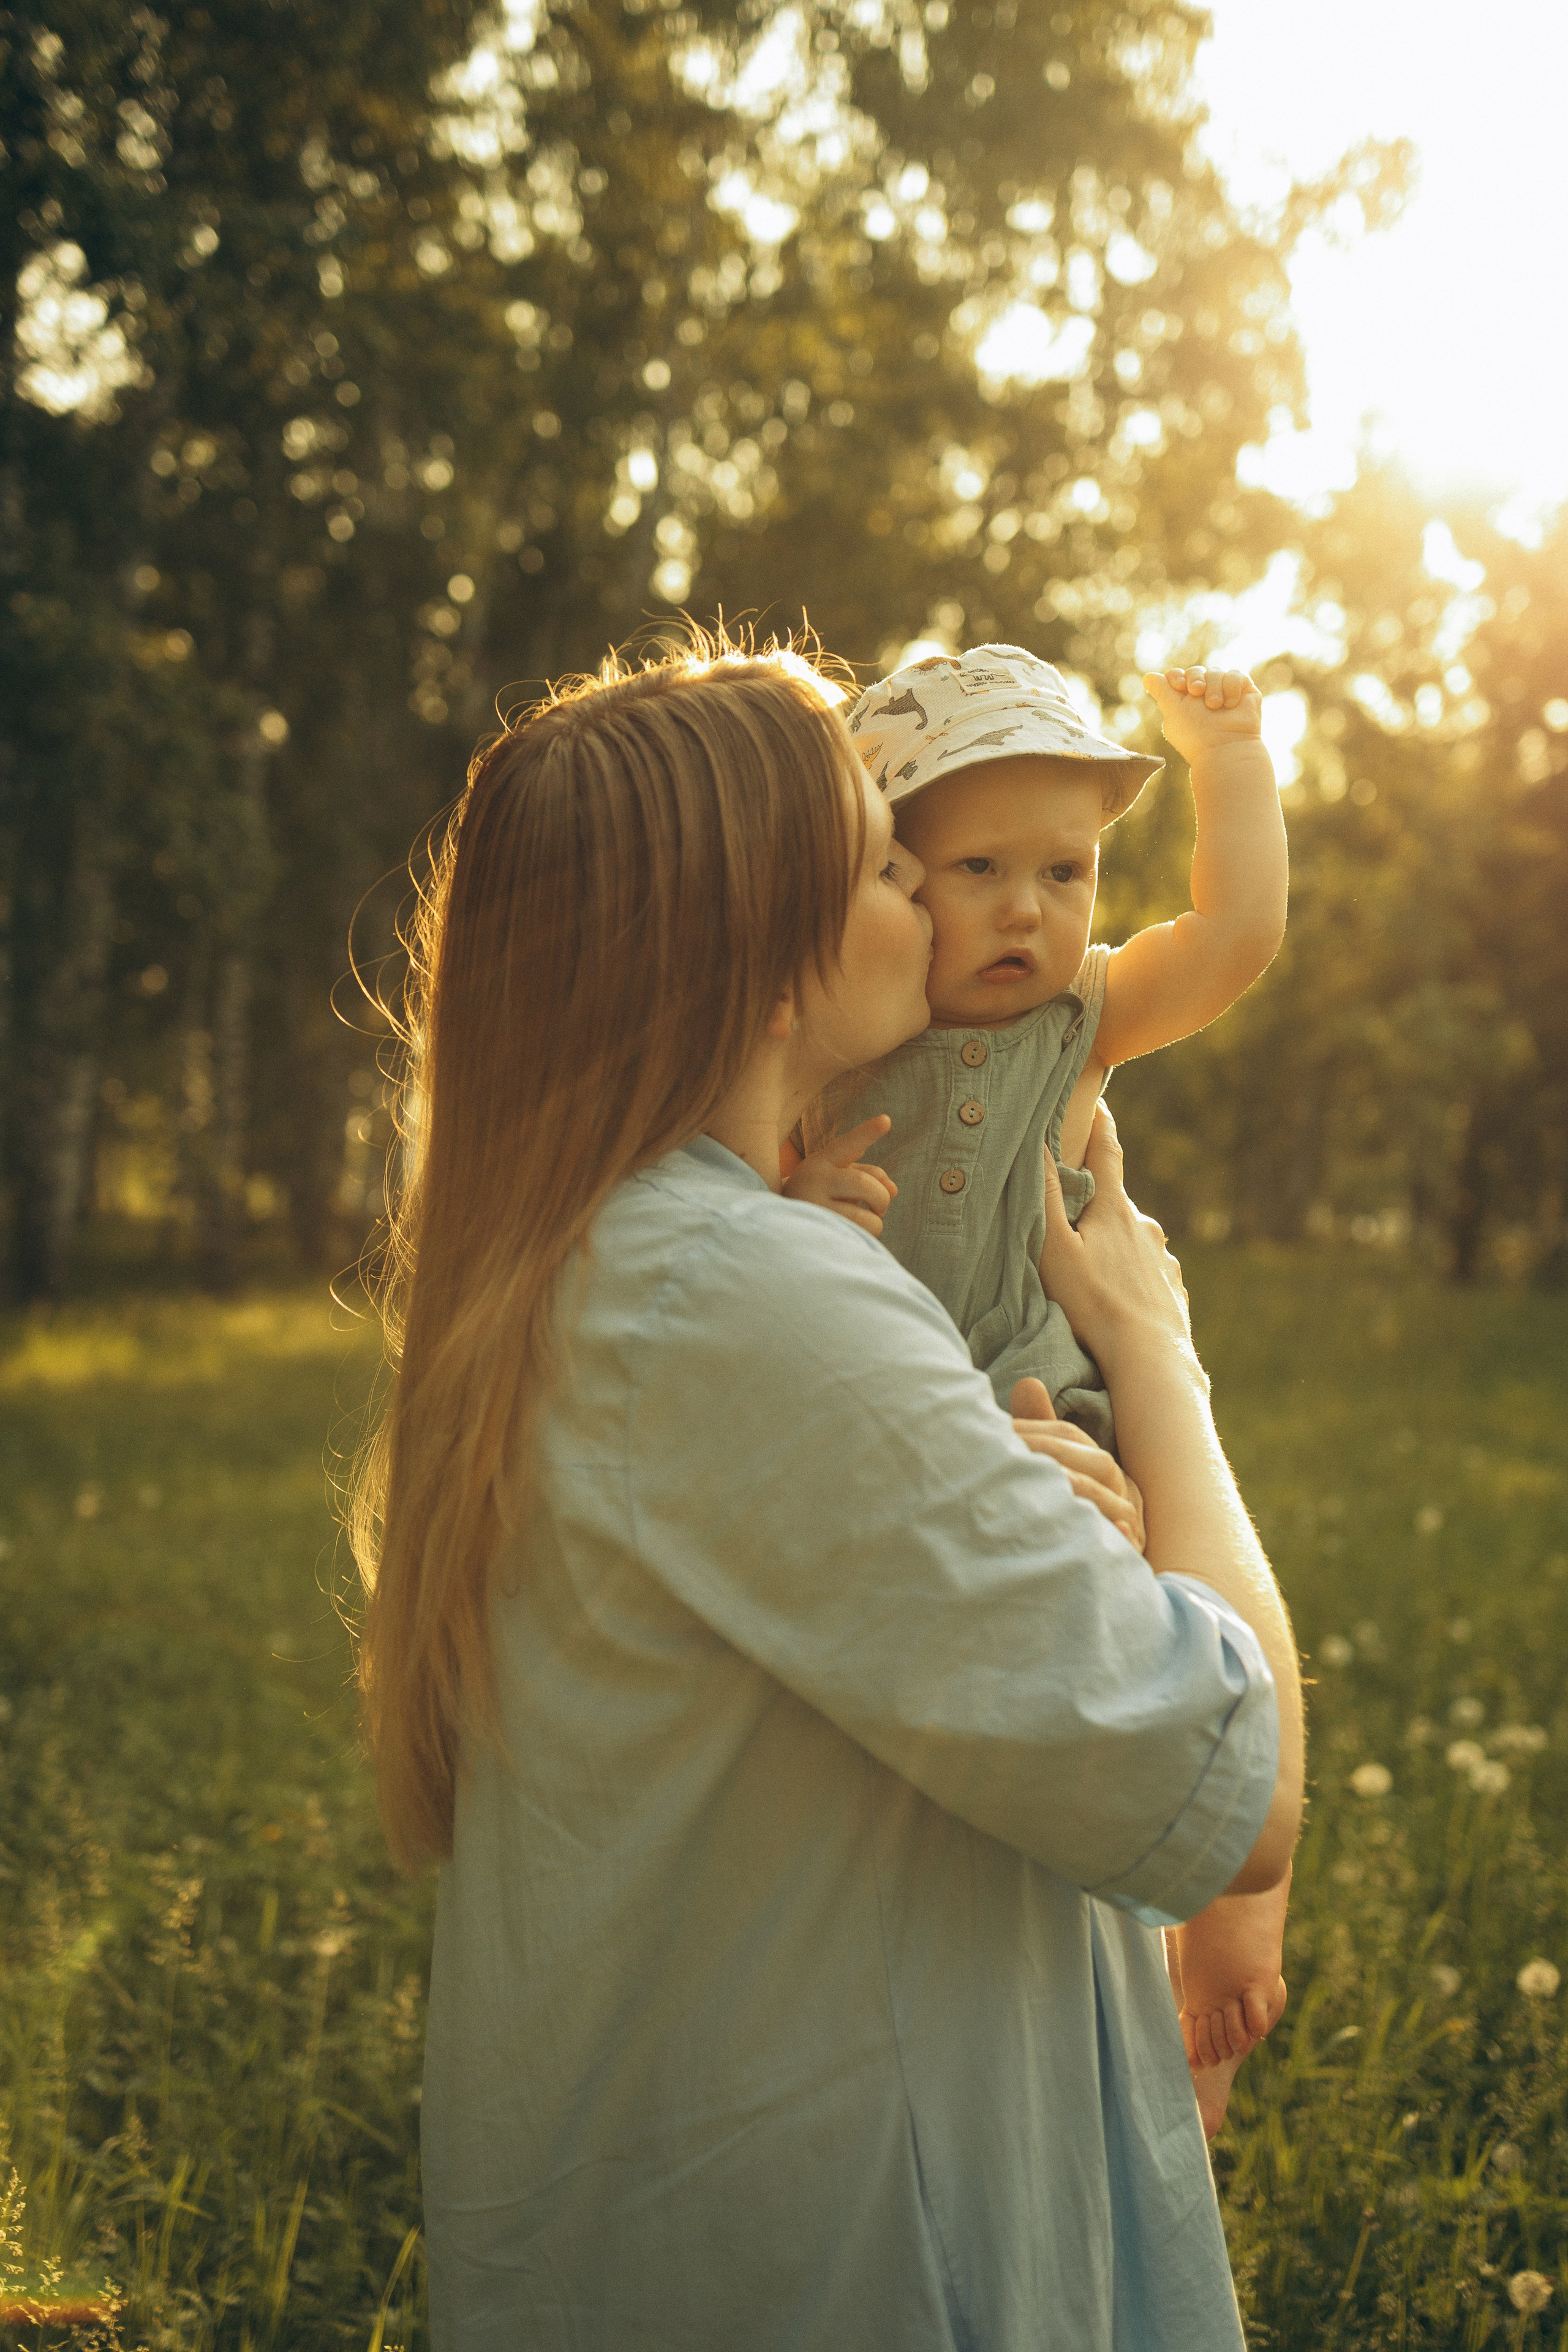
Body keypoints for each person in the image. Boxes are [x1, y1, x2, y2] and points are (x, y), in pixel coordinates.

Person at [351, 635, 1303, 2351]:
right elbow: (1236, 1790)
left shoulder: (622, 1260)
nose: (939, 907)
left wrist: (988, 1470)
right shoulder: (753, 1296)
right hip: (861, 2245)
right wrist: (1156, 1355)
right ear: (767, 955)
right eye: (888, 864)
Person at [786, 642, 1291, 2104]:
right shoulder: (834, 1036)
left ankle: (1234, 1911)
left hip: (1061, 1425)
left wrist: (1228, 763)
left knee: (1168, 1670)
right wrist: (801, 1194)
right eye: (979, 869)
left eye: (1065, 874)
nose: (1028, 910)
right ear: (886, 877)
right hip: (895, 1439)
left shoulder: (1085, 1024)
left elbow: (1232, 933)